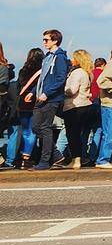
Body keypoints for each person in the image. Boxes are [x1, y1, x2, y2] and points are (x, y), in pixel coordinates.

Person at [27, 29, 69, 170]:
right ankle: (56, 155)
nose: (44, 42)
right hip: (40, 97)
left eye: (47, 40)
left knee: (45, 128)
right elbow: (43, 78)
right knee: (36, 127)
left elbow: (60, 79)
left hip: (51, 99)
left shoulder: (60, 57)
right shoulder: (47, 57)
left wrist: (47, 93)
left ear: (55, 41)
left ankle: (45, 161)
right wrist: (33, 92)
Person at [58, 49, 95, 170]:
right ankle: (79, 158)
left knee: (72, 134)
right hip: (86, 105)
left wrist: (62, 90)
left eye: (74, 58)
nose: (71, 60)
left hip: (74, 106)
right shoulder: (88, 73)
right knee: (80, 134)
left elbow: (72, 91)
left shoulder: (77, 73)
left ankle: (75, 160)